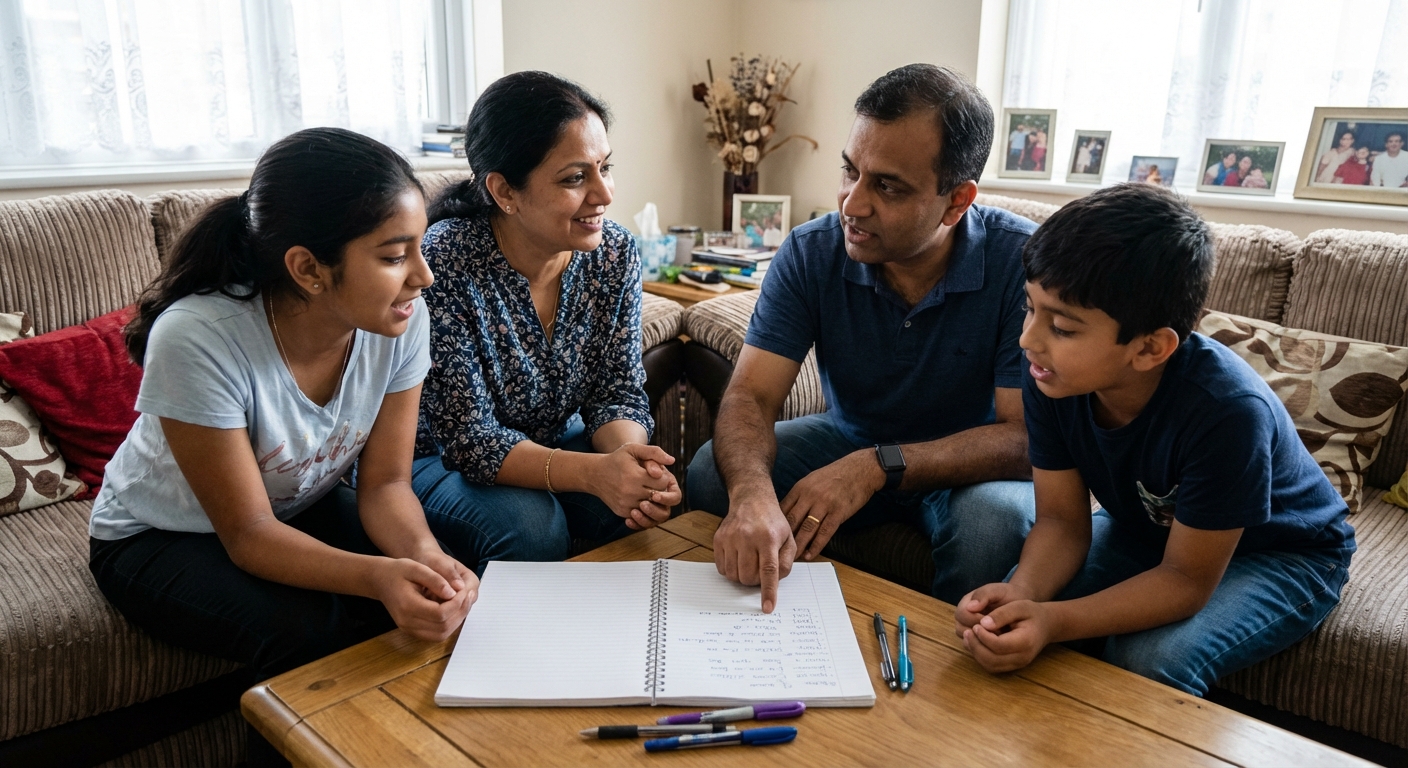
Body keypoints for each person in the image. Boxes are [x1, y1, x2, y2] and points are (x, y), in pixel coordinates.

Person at [89, 128, 477, 689]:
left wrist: (426, 559)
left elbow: (386, 486)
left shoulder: (402, 319)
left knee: (441, 574)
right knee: (314, 634)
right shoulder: (198, 338)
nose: (424, 275)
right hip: (155, 536)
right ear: (308, 269)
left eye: (419, 247)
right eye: (395, 256)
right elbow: (248, 533)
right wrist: (379, 576)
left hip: (293, 508)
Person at [954, 183, 1356, 697]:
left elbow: (1186, 580)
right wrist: (1022, 593)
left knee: (1146, 660)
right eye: (1030, 308)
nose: (1028, 339)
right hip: (1149, 530)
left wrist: (1054, 620)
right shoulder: (1051, 377)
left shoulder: (1227, 413)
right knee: (1011, 617)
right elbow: (1060, 522)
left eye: (1063, 327)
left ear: (1150, 348)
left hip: (1284, 554)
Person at [688, 63, 1037, 612]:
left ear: (957, 201)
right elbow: (751, 396)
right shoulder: (810, 251)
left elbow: (1025, 439)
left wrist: (878, 466)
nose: (852, 203)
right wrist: (753, 493)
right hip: (850, 436)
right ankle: (780, 638)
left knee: (994, 528)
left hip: (975, 464)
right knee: (715, 473)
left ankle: (950, 676)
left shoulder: (1023, 262)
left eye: (887, 186)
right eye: (850, 171)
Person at [413, 71, 681, 572]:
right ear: (504, 191)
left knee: (637, 505)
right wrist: (594, 474)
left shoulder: (614, 251)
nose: (603, 194)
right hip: (435, 458)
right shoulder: (445, 258)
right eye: (575, 178)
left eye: (605, 167)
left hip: (555, 440)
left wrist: (627, 463)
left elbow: (616, 390)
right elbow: (470, 440)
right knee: (532, 528)